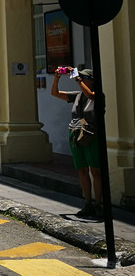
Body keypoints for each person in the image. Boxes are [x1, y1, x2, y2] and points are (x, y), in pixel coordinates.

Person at [51, 67, 101, 218]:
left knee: (95, 170)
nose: (81, 80)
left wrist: (78, 80)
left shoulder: (95, 95)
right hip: (76, 134)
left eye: (85, 78)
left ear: (92, 81)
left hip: (92, 135)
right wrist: (57, 78)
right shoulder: (78, 96)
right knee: (82, 169)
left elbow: (91, 95)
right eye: (81, 78)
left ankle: (98, 204)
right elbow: (55, 93)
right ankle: (88, 202)